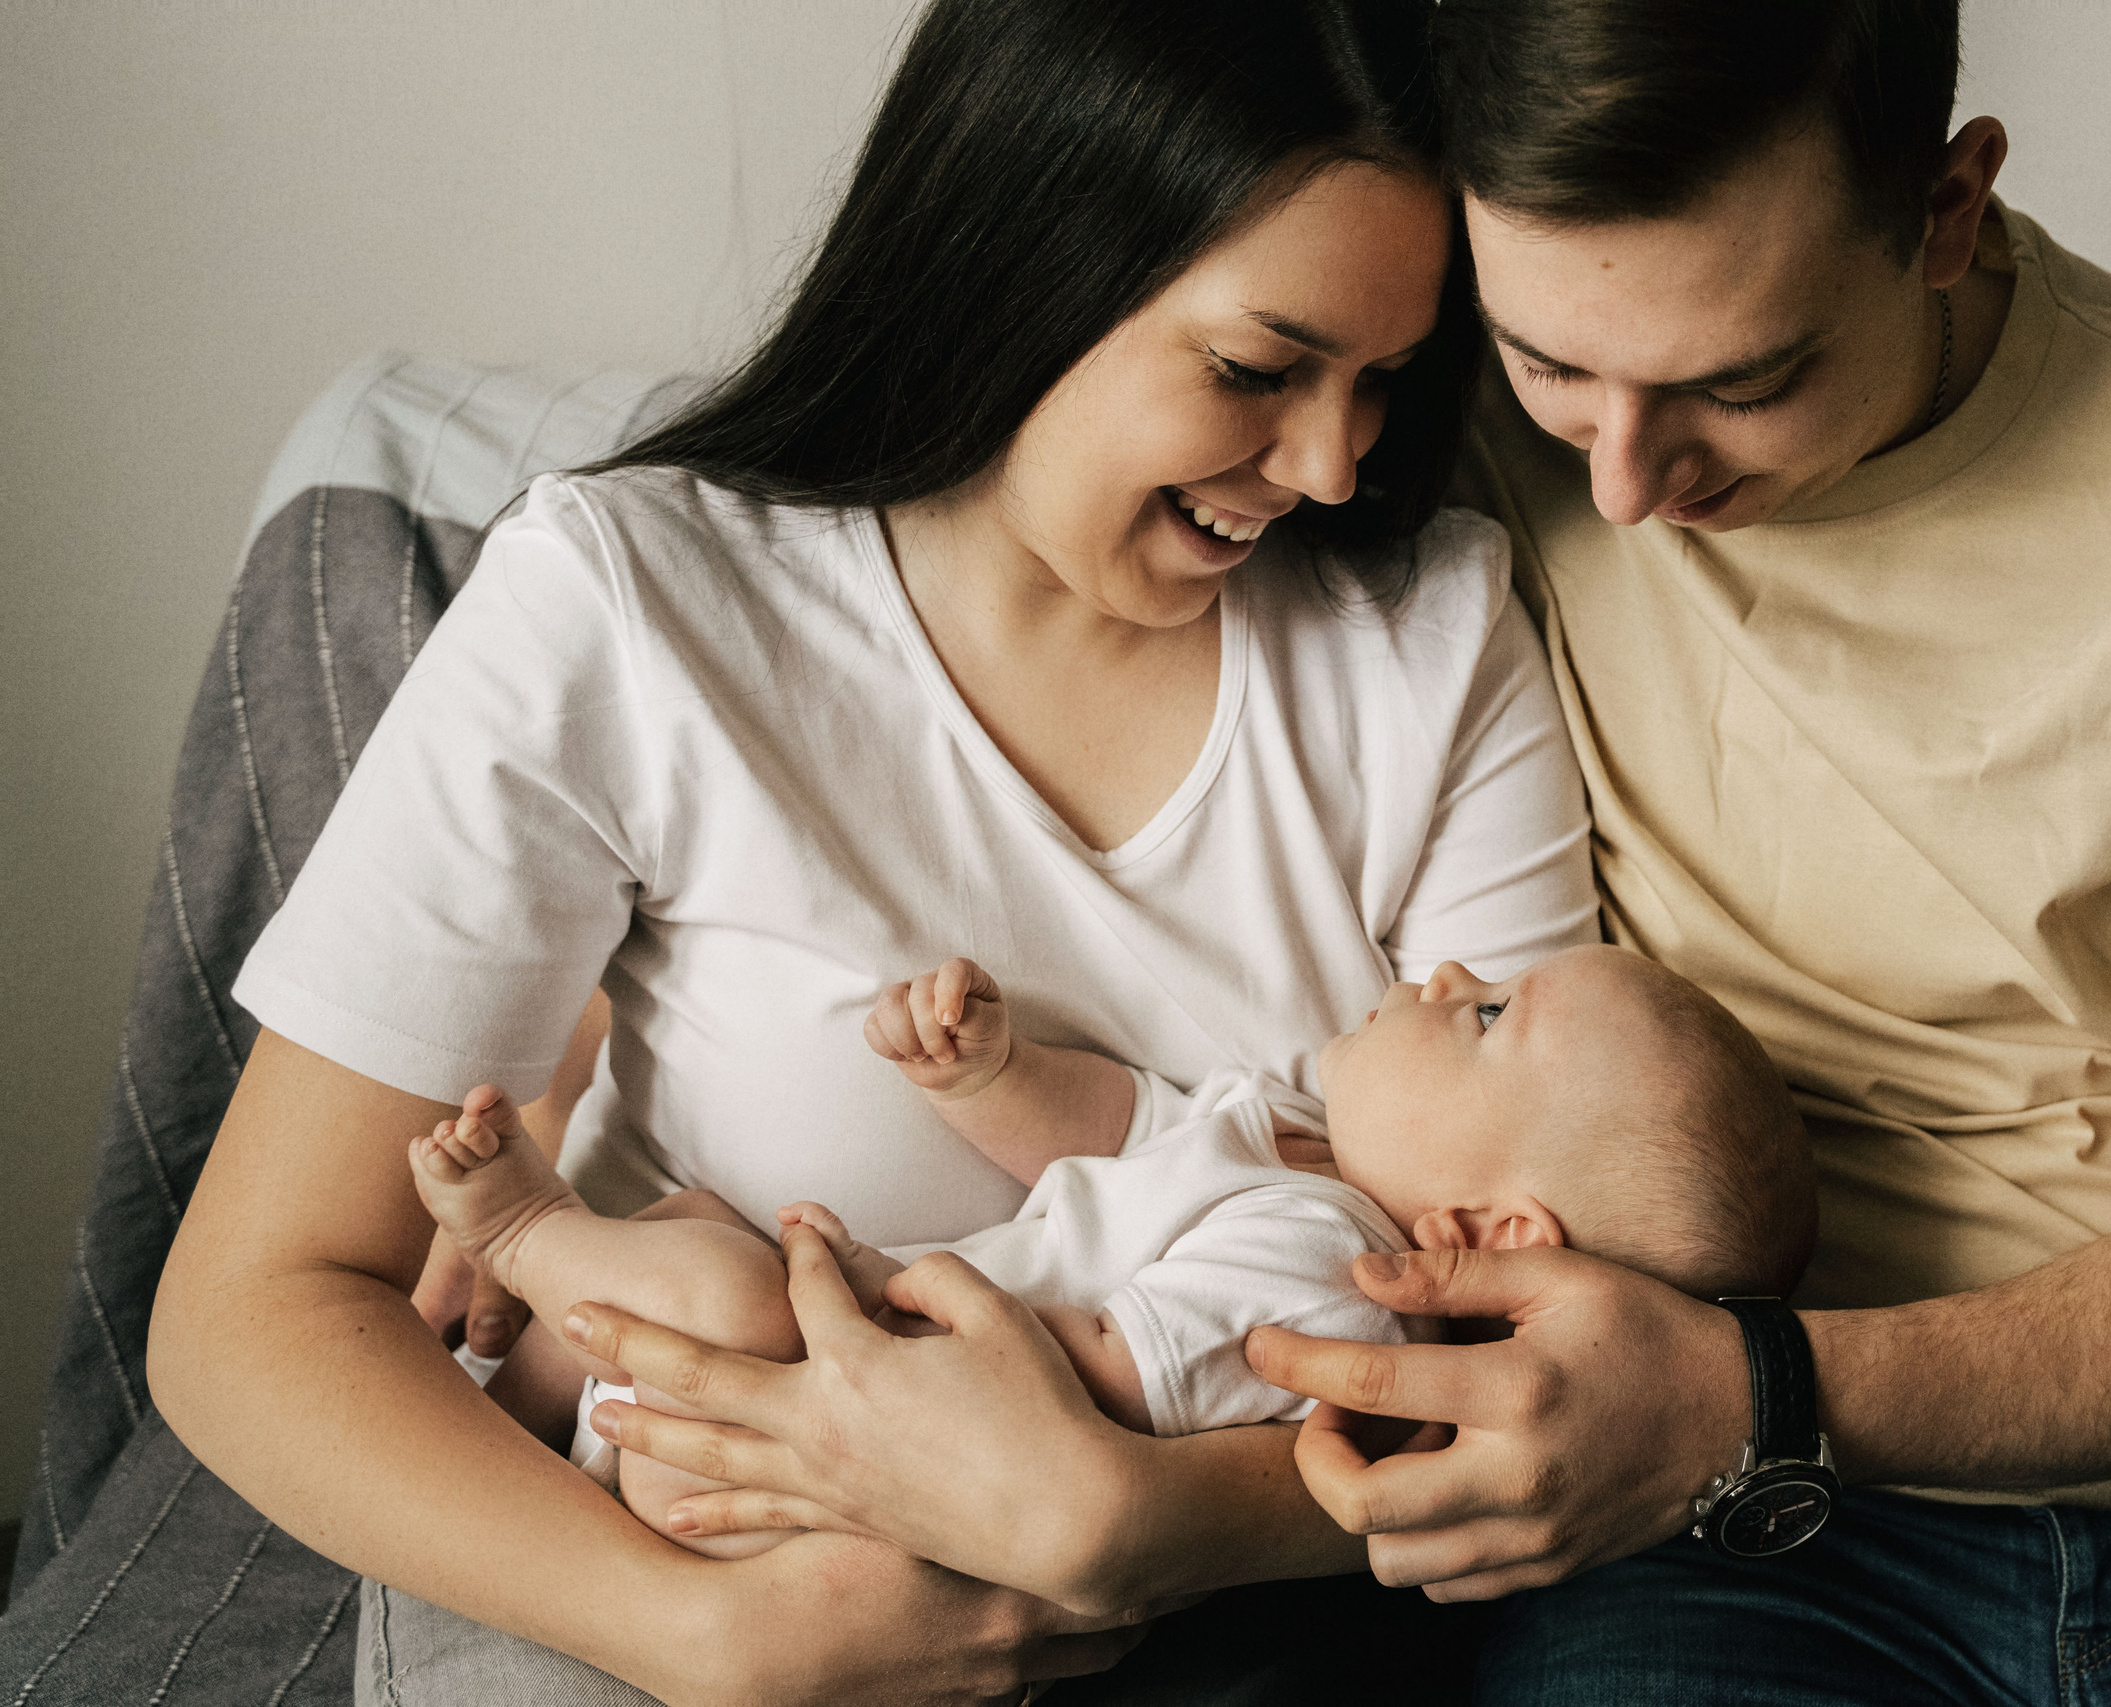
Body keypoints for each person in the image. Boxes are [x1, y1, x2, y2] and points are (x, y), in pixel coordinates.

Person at [144, 1, 1607, 1702]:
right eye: (1260, 369)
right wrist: (701, 1637)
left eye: (1384, 383)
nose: (1332, 464)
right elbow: (255, 1311)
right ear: (1025, 258)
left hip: (1251, 1612)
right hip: (694, 1570)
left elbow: (1535, 1332)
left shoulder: (1430, 641)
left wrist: (1141, 1519)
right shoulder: (633, 606)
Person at [1229, 0, 2111, 1700]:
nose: (1627, 485)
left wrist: (1748, 1392)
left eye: (1742, 381)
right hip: (1719, 1540)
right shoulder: (1442, 430)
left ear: (1947, 208)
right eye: (1554, 366)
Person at [403, 943, 1809, 1558]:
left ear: (1493, 1235)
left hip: (821, 1458)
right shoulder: (1296, 1140)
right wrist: (988, 1080)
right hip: (806, 1401)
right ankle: (512, 1409)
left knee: (722, 1278)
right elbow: (1116, 1132)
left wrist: (845, 1303)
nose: (1444, 977)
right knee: (703, 1225)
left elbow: (1087, 1378)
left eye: (1493, 1016)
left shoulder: (1339, 1283)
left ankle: (525, 1240)